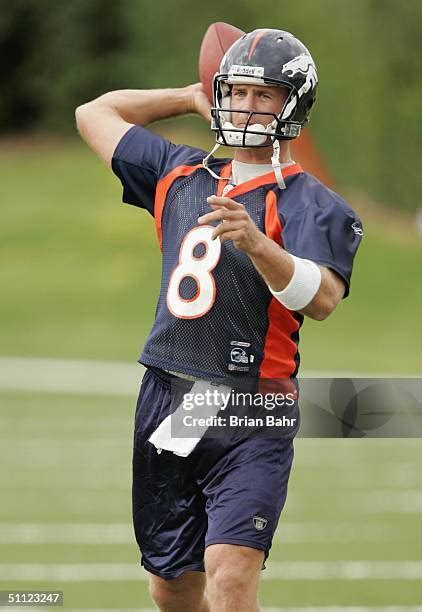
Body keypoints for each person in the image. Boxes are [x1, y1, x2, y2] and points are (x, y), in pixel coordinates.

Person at [76, 28, 362, 612]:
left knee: (230, 581)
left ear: (294, 107)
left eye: (266, 96)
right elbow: (94, 112)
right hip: (174, 393)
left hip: (253, 403)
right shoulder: (180, 171)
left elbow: (323, 299)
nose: (248, 107)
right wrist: (186, 96)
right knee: (172, 587)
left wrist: (260, 246)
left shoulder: (311, 202)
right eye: (237, 93)